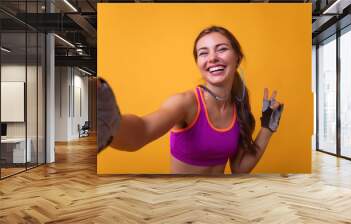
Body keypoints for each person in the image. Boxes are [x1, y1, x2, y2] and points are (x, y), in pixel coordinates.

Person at [97, 26, 284, 174]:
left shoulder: (239, 107)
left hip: (219, 204)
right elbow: (142, 131)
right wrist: (113, 124)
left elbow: (239, 168)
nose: (212, 58)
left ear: (238, 58)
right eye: (203, 53)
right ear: (198, 63)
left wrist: (267, 128)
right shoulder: (185, 103)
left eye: (222, 49)